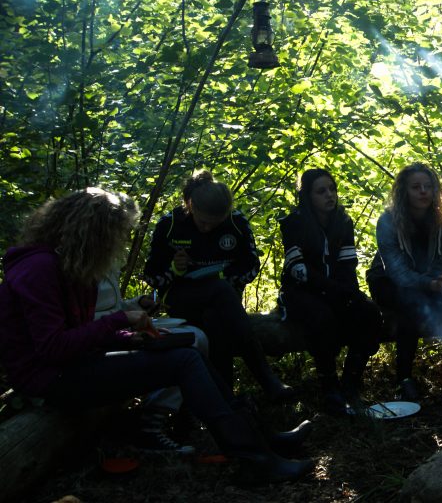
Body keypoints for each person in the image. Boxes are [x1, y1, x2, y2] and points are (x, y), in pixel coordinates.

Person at [0, 189, 312, 482]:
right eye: (116, 235)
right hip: (48, 380)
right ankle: (255, 460)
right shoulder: (39, 270)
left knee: (187, 347)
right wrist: (120, 322)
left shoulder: (69, 266)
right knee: (183, 361)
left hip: (72, 365)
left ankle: (259, 440)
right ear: (93, 233)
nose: (119, 243)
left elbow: (78, 335)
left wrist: (130, 337)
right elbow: (53, 348)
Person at [143, 170, 295, 401]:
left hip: (223, 303)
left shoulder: (236, 222)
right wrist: (174, 270)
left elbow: (251, 267)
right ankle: (267, 380)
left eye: (215, 224)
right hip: (181, 299)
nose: (208, 229)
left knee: (216, 315)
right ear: (190, 205)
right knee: (220, 292)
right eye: (203, 222)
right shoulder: (170, 224)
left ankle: (224, 399)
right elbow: (152, 277)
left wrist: (227, 277)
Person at [367, 163, 442, 399]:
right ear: (404, 191)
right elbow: (397, 271)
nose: (423, 192)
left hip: (427, 280)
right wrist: (431, 285)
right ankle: (404, 379)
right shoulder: (388, 221)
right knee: (411, 308)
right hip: (387, 281)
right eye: (416, 187)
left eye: (428, 187)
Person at [278, 169, 383, 414]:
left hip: (335, 291)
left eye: (332, 189)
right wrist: (334, 290)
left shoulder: (343, 222)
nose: (329, 195)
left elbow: (348, 264)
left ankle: (351, 380)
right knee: (322, 317)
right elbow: (297, 268)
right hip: (300, 292)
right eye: (321, 191)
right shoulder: (293, 222)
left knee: (369, 313)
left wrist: (352, 295)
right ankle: (329, 385)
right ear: (308, 195)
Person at [94, 269, 210, 453]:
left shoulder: (103, 265)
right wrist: (129, 332)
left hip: (118, 332)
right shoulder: (73, 267)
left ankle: (185, 412)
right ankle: (149, 426)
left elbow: (112, 309)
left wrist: (137, 304)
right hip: (102, 344)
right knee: (184, 346)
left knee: (196, 337)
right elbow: (87, 322)